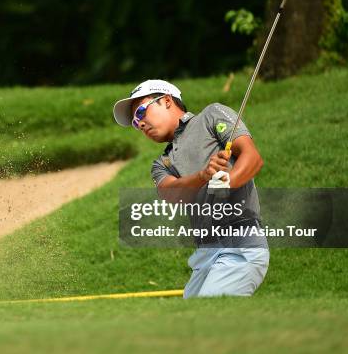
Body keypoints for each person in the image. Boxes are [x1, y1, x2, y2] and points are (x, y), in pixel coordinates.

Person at [113, 79, 269, 298]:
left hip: (239, 243)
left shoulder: (211, 116)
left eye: (140, 113)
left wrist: (226, 181)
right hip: (205, 255)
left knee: (208, 320)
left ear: (166, 101)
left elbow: (252, 158)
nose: (139, 124)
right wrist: (203, 176)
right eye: (134, 122)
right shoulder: (162, 163)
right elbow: (173, 193)